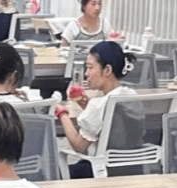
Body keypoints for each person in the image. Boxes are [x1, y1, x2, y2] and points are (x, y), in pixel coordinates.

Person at [55, 40, 135, 179]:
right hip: (131, 169)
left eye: (90, 68)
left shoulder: (98, 105)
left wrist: (62, 114)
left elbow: (79, 146)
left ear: (107, 70)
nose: (86, 74)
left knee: (53, 171)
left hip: (99, 171)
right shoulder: (131, 95)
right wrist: (87, 106)